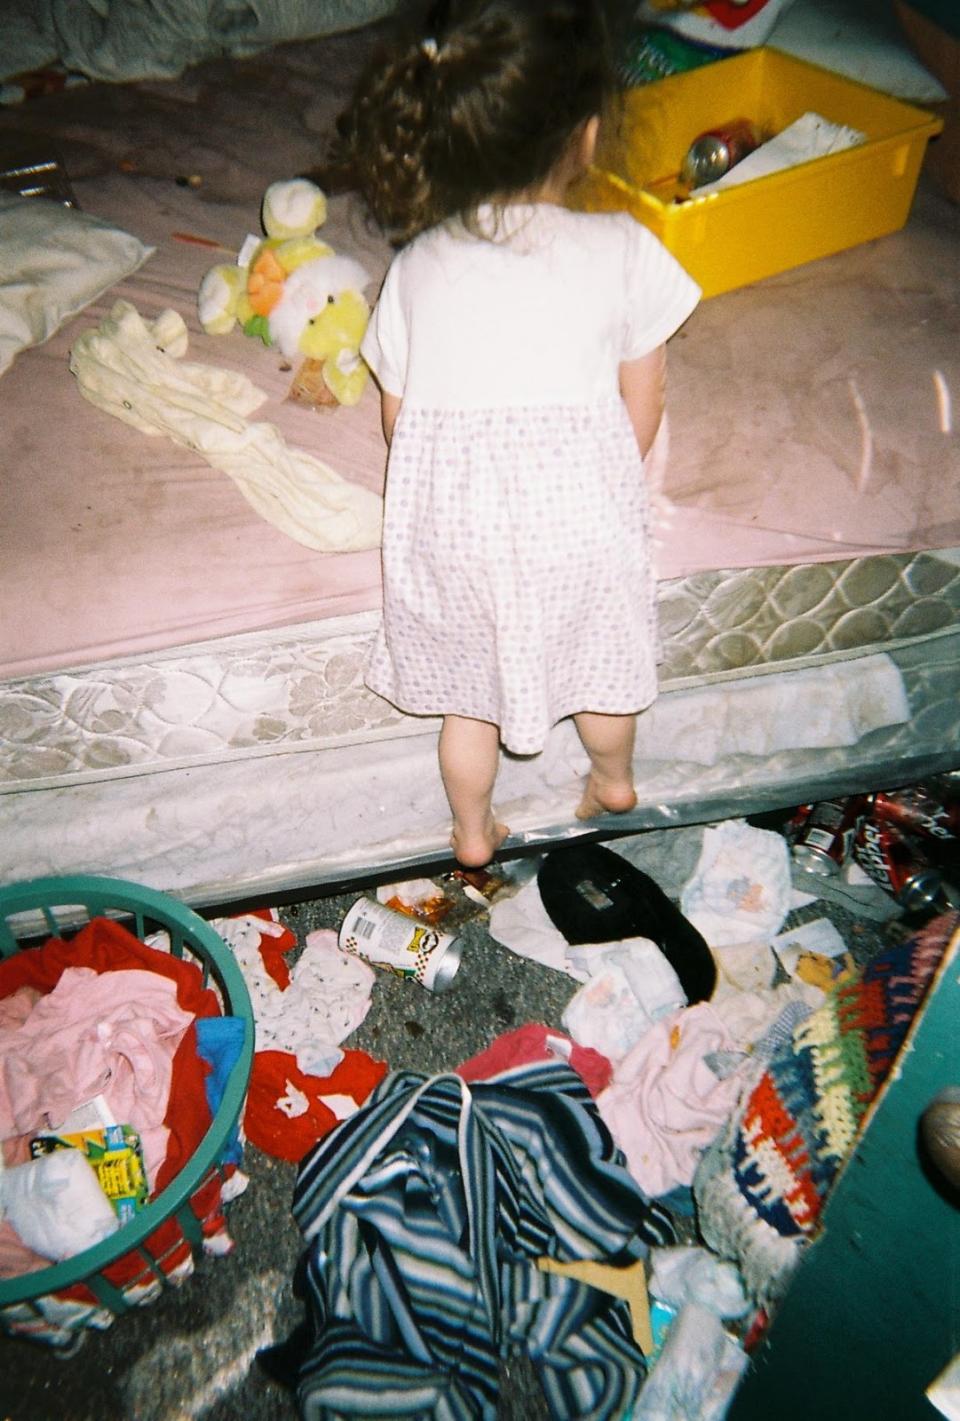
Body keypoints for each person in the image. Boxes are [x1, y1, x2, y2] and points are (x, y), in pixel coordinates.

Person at [335, 0, 700, 867]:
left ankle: (471, 832)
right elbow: (641, 409)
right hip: (577, 518)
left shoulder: (418, 262)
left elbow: (399, 419)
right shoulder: (622, 245)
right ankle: (612, 779)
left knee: (474, 702)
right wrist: (604, 476)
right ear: (585, 137)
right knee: (603, 667)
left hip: (456, 531)